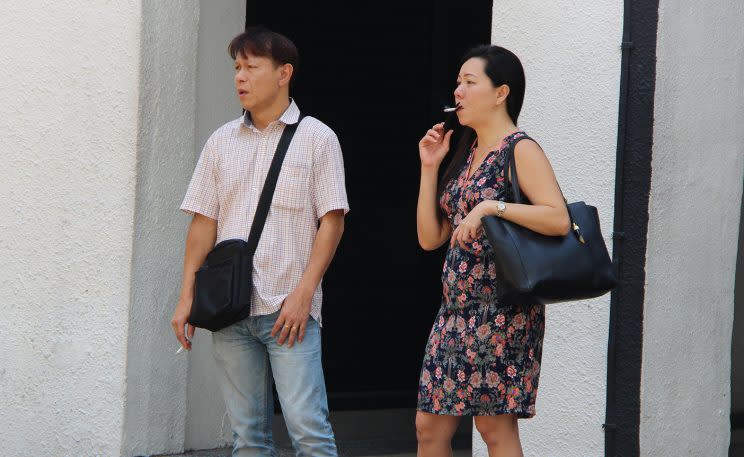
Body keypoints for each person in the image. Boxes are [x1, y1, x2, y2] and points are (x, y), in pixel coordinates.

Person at [171, 26, 348, 457]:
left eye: (251, 67)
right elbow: (202, 225)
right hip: (230, 309)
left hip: (290, 310)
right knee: (247, 439)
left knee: (310, 433)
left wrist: (305, 293)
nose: (240, 78)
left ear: (284, 73)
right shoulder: (220, 141)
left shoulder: (318, 138)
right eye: (236, 68)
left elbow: (333, 221)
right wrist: (186, 297)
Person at [415, 45, 570, 457]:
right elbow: (431, 238)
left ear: (501, 92)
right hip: (455, 311)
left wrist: (489, 207)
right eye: (457, 83)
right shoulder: (466, 154)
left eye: (469, 82)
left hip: (504, 311)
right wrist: (430, 168)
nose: (458, 92)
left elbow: (557, 218)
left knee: (494, 427)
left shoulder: (520, 148)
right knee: (428, 426)